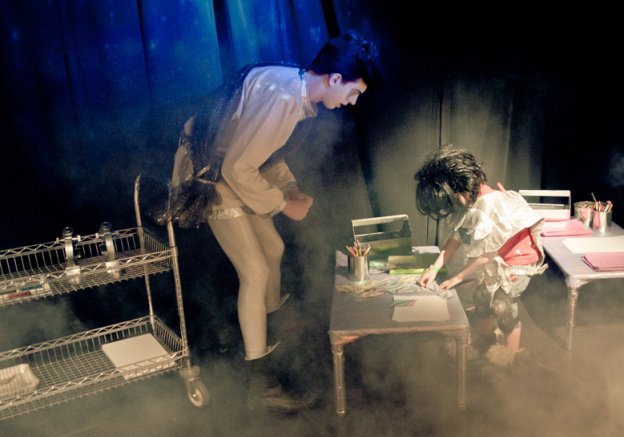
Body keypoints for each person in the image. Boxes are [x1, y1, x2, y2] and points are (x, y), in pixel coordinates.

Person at [169, 32, 381, 413]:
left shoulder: (294, 85)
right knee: (254, 270)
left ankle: (266, 333)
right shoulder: (286, 97)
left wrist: (291, 187)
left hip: (228, 168)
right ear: (334, 78)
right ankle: (261, 380)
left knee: (274, 249)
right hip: (208, 173)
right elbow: (236, 166)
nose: (351, 102)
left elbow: (263, 151)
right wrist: (284, 204)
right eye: (353, 92)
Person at [415, 145, 547, 366]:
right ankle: (483, 341)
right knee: (482, 298)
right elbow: (456, 238)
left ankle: (509, 357)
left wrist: (457, 277)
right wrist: (435, 268)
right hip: (496, 258)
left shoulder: (490, 206)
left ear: (459, 192)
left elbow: (488, 254)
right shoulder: (467, 203)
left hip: (517, 260)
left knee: (504, 306)